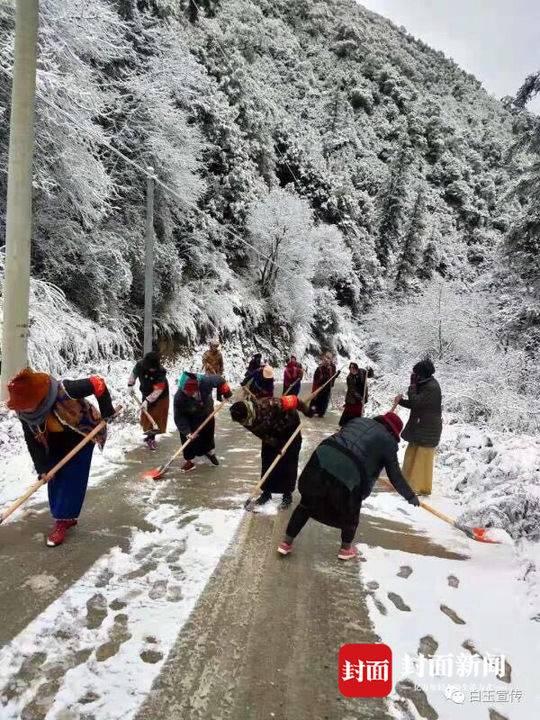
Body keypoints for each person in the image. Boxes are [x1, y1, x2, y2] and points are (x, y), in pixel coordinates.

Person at [277, 412, 419, 560]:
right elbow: (395, 475)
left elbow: (344, 438)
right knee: (351, 510)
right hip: (350, 469)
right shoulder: (389, 443)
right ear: (393, 432)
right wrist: (410, 495)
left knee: (307, 503)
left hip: (324, 454)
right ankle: (345, 549)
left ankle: (286, 543)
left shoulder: (358, 419)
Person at [7, 368, 116, 547]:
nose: (23, 410)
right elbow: (31, 440)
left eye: (26, 405)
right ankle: (64, 516)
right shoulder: (25, 413)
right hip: (54, 439)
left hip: (81, 434)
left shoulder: (65, 390)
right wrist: (42, 468)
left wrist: (107, 411)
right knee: (53, 476)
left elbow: (97, 383)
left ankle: (63, 521)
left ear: (37, 398)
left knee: (72, 478)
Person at [229, 394, 312, 509]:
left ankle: (287, 494)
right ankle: (266, 493)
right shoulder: (245, 420)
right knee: (268, 460)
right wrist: (275, 444)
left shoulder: (270, 404)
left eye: (243, 420)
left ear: (248, 413)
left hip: (290, 428)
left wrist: (306, 411)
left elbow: (294, 400)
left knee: (289, 461)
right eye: (241, 422)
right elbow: (260, 432)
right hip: (271, 434)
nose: (243, 424)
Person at [395, 358, 442, 496]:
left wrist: (412, 387)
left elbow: (416, 402)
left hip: (428, 429)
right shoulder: (425, 384)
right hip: (420, 426)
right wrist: (401, 402)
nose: (414, 376)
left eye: (416, 373)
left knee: (422, 459)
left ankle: (419, 487)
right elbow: (415, 403)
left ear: (422, 374)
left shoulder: (432, 387)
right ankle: (407, 482)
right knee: (412, 453)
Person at [173, 371, 232, 472]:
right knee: (187, 439)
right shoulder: (179, 397)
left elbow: (220, 380)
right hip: (190, 416)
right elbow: (179, 417)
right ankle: (189, 461)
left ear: (195, 388)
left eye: (189, 391)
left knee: (208, 433)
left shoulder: (205, 381)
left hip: (206, 410)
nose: (186, 393)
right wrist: (187, 432)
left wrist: (226, 392)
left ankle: (209, 453)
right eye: (185, 391)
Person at [128, 351, 169, 450]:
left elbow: (158, 390)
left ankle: (151, 438)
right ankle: (149, 437)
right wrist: (130, 385)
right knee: (147, 415)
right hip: (146, 391)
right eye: (150, 367)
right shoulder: (140, 365)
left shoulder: (161, 372)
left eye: (153, 368)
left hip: (160, 396)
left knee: (156, 417)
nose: (151, 370)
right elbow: (134, 374)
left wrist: (147, 401)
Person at [310, 352, 337, 417]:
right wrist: (323, 379)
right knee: (315, 404)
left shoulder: (332, 367)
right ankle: (312, 412)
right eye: (326, 358)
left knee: (323, 407)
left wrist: (336, 374)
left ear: (331, 359)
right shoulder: (319, 369)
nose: (326, 360)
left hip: (327, 389)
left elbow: (333, 376)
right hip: (319, 389)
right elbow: (316, 380)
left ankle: (320, 414)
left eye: (328, 358)